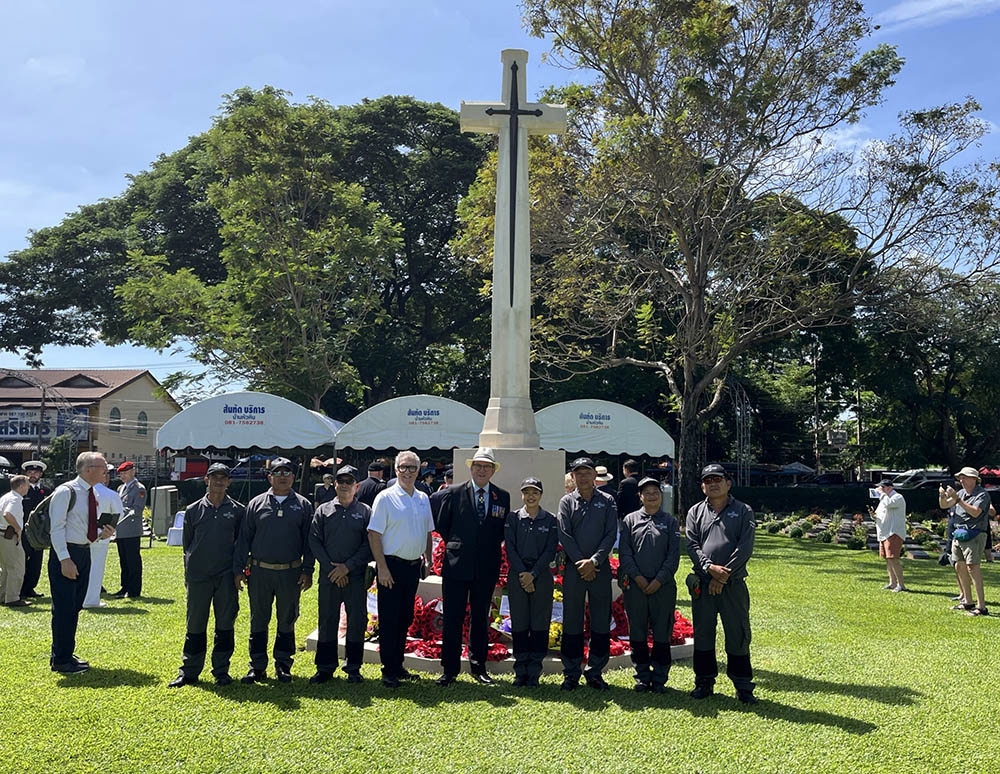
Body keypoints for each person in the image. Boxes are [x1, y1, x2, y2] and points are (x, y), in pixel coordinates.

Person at [434, 447, 511, 686]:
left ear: (493, 470)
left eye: (487, 466)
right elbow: (443, 525)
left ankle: (479, 667)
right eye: (478, 465)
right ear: (471, 468)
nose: (482, 470)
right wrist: (459, 545)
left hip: (486, 567)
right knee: (453, 618)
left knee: (480, 618)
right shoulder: (453, 492)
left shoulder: (502, 496)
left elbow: (501, 530)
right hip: (457, 565)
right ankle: (449, 669)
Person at [235, 457, 314, 683]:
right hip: (260, 572)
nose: (282, 477)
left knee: (287, 619)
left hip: (290, 572)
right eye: (277, 473)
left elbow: (309, 542)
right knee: (259, 619)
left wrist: (308, 570)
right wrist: (238, 569)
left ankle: (283, 664)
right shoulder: (256, 504)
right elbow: (244, 539)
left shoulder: (303, 505)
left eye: (287, 472)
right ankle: (257, 666)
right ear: (270, 477)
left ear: (293, 477)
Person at [685, 463, 758, 703]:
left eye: (718, 479)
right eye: (708, 481)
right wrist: (710, 568)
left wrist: (723, 575)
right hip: (703, 583)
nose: (713, 484)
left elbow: (745, 547)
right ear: (702, 487)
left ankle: (743, 686)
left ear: (728, 483)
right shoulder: (695, 512)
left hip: (733, 584)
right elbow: (692, 545)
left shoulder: (743, 510)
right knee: (703, 634)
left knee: (737, 634)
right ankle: (704, 682)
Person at [169, 463, 244, 687]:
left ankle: (221, 670)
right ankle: (189, 671)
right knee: (195, 625)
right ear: (206, 480)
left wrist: (238, 572)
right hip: (199, 576)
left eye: (223, 477)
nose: (218, 481)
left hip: (226, 576)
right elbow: (187, 545)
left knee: (225, 625)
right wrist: (188, 573)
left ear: (229, 482)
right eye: (214, 477)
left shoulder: (238, 510)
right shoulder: (193, 510)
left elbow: (241, 545)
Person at [367, 450, 435, 688]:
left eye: (412, 467)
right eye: (403, 467)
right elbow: (374, 534)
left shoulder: (423, 498)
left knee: (405, 618)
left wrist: (428, 559)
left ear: (418, 470)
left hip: (413, 567)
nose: (407, 472)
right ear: (396, 470)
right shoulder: (385, 498)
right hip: (391, 567)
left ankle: (398, 665)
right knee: (389, 619)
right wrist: (382, 568)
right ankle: (388, 670)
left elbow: (428, 531)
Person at [48, 451, 116, 673]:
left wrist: (102, 534)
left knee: (74, 606)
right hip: (67, 554)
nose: (106, 471)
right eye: (102, 466)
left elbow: (82, 528)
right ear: (88, 469)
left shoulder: (91, 493)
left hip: (83, 552)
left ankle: (64, 653)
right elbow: (56, 528)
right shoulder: (66, 491)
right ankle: (61, 660)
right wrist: (64, 559)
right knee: (64, 608)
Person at [557, 456, 618, 691]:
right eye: (578, 473)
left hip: (600, 569)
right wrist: (582, 563)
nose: (583, 477)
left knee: (600, 621)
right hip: (575, 571)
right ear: (572, 477)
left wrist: (594, 561)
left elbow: (610, 533)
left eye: (587, 472)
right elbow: (564, 535)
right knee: (572, 621)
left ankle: (595, 671)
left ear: (594, 475)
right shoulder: (566, 502)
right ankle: (571, 672)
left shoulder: (608, 501)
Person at [308, 464, 372, 684]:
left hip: (355, 577)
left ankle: (353, 667)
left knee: (357, 621)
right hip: (329, 577)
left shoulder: (365, 512)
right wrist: (332, 568)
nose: (344, 485)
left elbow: (369, 544)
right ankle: (325, 667)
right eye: (341, 481)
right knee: (327, 620)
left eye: (349, 482)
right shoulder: (323, 510)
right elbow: (314, 541)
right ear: (335, 484)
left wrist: (347, 567)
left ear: (357, 486)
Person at [619, 477, 680, 693]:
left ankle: (660, 677)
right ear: (640, 496)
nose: (652, 496)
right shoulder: (630, 520)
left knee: (662, 632)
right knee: (637, 632)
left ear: (661, 496)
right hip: (636, 586)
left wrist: (658, 580)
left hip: (663, 587)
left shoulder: (670, 522)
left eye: (655, 492)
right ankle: (642, 677)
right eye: (647, 492)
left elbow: (673, 556)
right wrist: (638, 578)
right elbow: (625, 553)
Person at [504, 477, 558, 687]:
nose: (531, 496)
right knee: (519, 622)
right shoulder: (513, 518)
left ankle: (534, 670)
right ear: (522, 495)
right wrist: (524, 574)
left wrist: (533, 575)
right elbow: (510, 548)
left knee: (539, 623)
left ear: (541, 495)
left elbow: (550, 550)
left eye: (535, 492)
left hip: (541, 575)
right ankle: (520, 670)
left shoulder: (550, 520)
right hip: (518, 574)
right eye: (527, 492)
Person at [939, 467, 990, 616]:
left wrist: (958, 499)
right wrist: (942, 496)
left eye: (964, 477)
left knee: (972, 568)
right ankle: (968, 602)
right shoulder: (960, 493)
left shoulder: (982, 494)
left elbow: (975, 512)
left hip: (975, 535)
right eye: (960, 477)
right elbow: (944, 505)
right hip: (959, 534)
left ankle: (981, 607)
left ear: (974, 479)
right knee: (959, 566)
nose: (961, 480)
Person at [83, 464, 123, 609]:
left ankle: (80, 597)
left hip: (80, 534)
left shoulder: (80, 491)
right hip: (102, 534)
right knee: (96, 567)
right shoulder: (111, 494)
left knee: (82, 566)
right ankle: (91, 599)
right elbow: (119, 515)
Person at [112, 461, 146, 599]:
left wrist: (120, 510)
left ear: (133, 472)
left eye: (125, 473)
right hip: (121, 529)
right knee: (124, 561)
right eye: (121, 474)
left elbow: (137, 509)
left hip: (131, 530)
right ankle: (124, 587)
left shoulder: (139, 488)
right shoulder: (121, 488)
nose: (122, 476)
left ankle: (134, 590)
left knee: (133, 561)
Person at [19, 460, 50, 599]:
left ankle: (30, 587)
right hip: (24, 530)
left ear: (41, 474)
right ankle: (20, 589)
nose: (33, 475)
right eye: (30, 472)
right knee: (22, 560)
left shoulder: (46, 490)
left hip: (39, 532)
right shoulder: (21, 490)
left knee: (36, 561)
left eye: (36, 472)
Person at [871, 478, 907, 592]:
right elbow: (881, 511)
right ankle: (892, 583)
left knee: (893, 559)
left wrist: (882, 494)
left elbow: (889, 504)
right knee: (888, 559)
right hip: (884, 532)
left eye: (882, 487)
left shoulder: (898, 497)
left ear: (890, 487)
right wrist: (873, 515)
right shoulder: (884, 498)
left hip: (894, 532)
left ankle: (901, 585)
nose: (879, 489)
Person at [1, 474, 31, 607]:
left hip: (2, 535)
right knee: (17, 567)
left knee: (5, 568)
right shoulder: (15, 499)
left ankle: (3, 596)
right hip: (9, 536)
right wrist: (18, 529)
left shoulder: (6, 497)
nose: (28, 487)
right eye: (27, 485)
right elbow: (7, 514)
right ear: (21, 486)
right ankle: (12, 598)